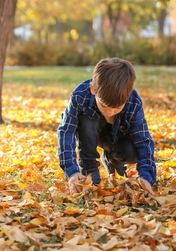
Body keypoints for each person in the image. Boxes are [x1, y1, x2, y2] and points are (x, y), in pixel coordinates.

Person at [57, 57, 156, 196]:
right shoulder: (80, 96)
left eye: (117, 108)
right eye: (103, 105)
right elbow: (66, 132)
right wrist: (72, 171)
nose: (109, 112)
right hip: (90, 135)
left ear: (128, 94)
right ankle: (89, 168)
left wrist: (146, 177)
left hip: (116, 139)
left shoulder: (133, 102)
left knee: (132, 150)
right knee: (88, 119)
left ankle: (112, 161)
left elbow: (143, 140)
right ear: (93, 89)